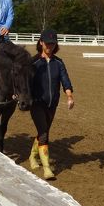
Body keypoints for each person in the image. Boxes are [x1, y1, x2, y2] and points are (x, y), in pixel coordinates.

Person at [28, 28, 74, 179]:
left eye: (52, 44)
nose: (50, 46)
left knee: (44, 131)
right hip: (36, 103)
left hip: (52, 103)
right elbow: (25, 82)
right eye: (47, 43)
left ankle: (32, 156)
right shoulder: (33, 62)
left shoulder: (58, 63)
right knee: (44, 133)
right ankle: (47, 169)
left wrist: (69, 96)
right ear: (41, 43)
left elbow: (65, 80)